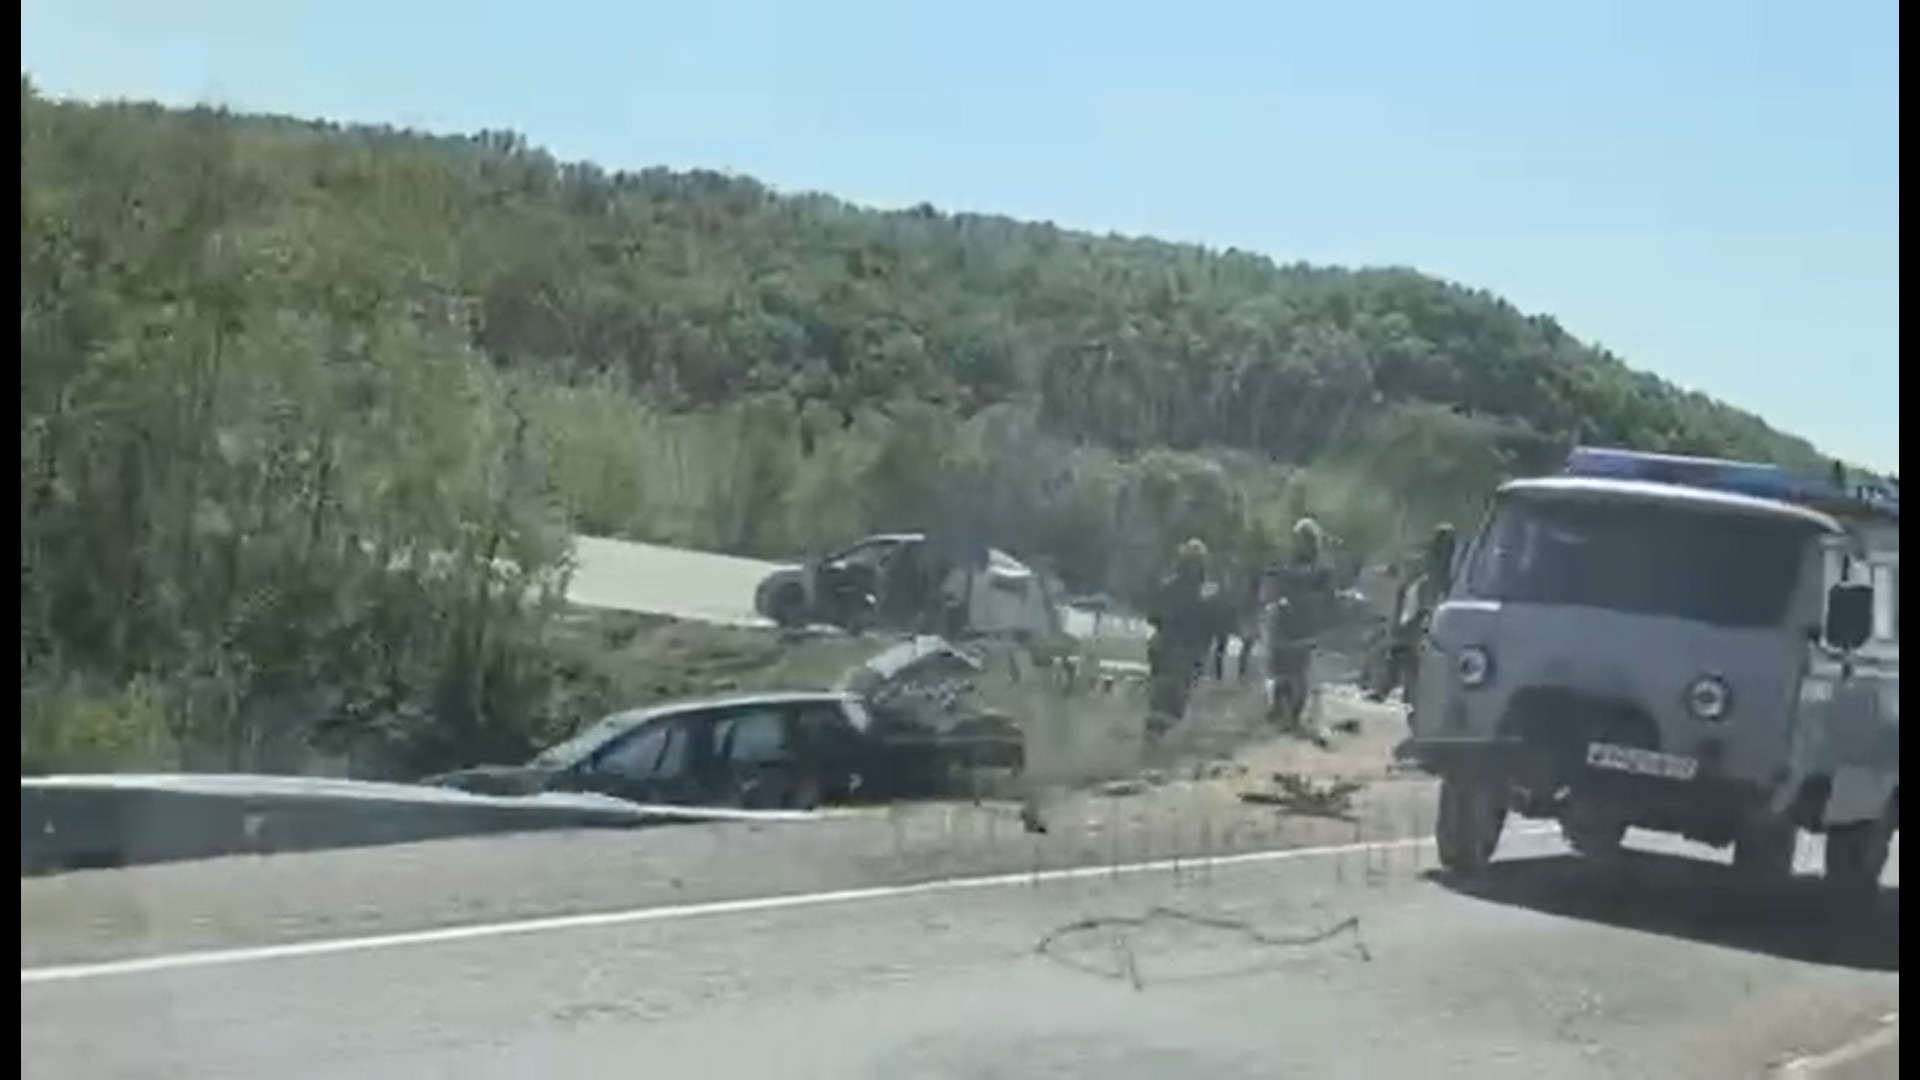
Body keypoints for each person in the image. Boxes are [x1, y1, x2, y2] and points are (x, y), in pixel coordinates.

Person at [1262, 519, 1338, 731]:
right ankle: (1281, 709)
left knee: (1295, 670)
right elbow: (1273, 586)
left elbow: (1328, 596)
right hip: (1288, 621)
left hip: (1300, 623)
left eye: (1302, 539)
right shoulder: (1295, 565)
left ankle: (1292, 715)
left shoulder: (1318, 569)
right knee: (1283, 668)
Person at [1145, 538, 1219, 740]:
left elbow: (1152, 616)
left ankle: (1156, 739)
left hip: (1172, 652)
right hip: (1181, 654)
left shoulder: (1171, 587)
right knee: (1170, 706)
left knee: (1163, 704)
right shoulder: (1206, 594)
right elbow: (1212, 630)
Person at [1384, 523, 1458, 703]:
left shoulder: (1437, 565)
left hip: (1429, 613)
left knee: (1411, 656)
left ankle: (1398, 686)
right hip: (1434, 613)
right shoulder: (1454, 562)